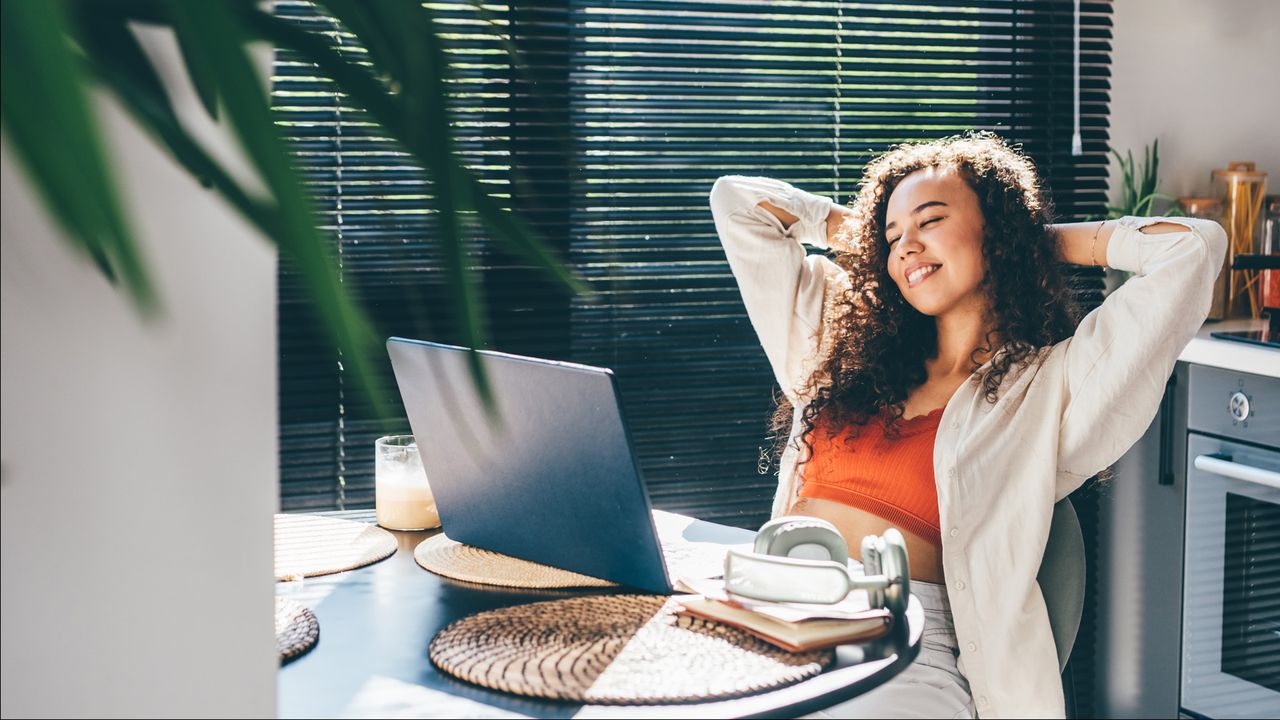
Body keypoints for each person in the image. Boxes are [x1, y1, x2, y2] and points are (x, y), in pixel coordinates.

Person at [708, 131, 1227, 719]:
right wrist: (874, 239)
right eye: (892, 234)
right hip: (772, 609)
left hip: (904, 643)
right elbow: (737, 203)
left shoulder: (1050, 389)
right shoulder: (839, 348)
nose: (906, 245)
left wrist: (1033, 242)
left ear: (997, 233)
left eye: (930, 220)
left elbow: (1194, 249)